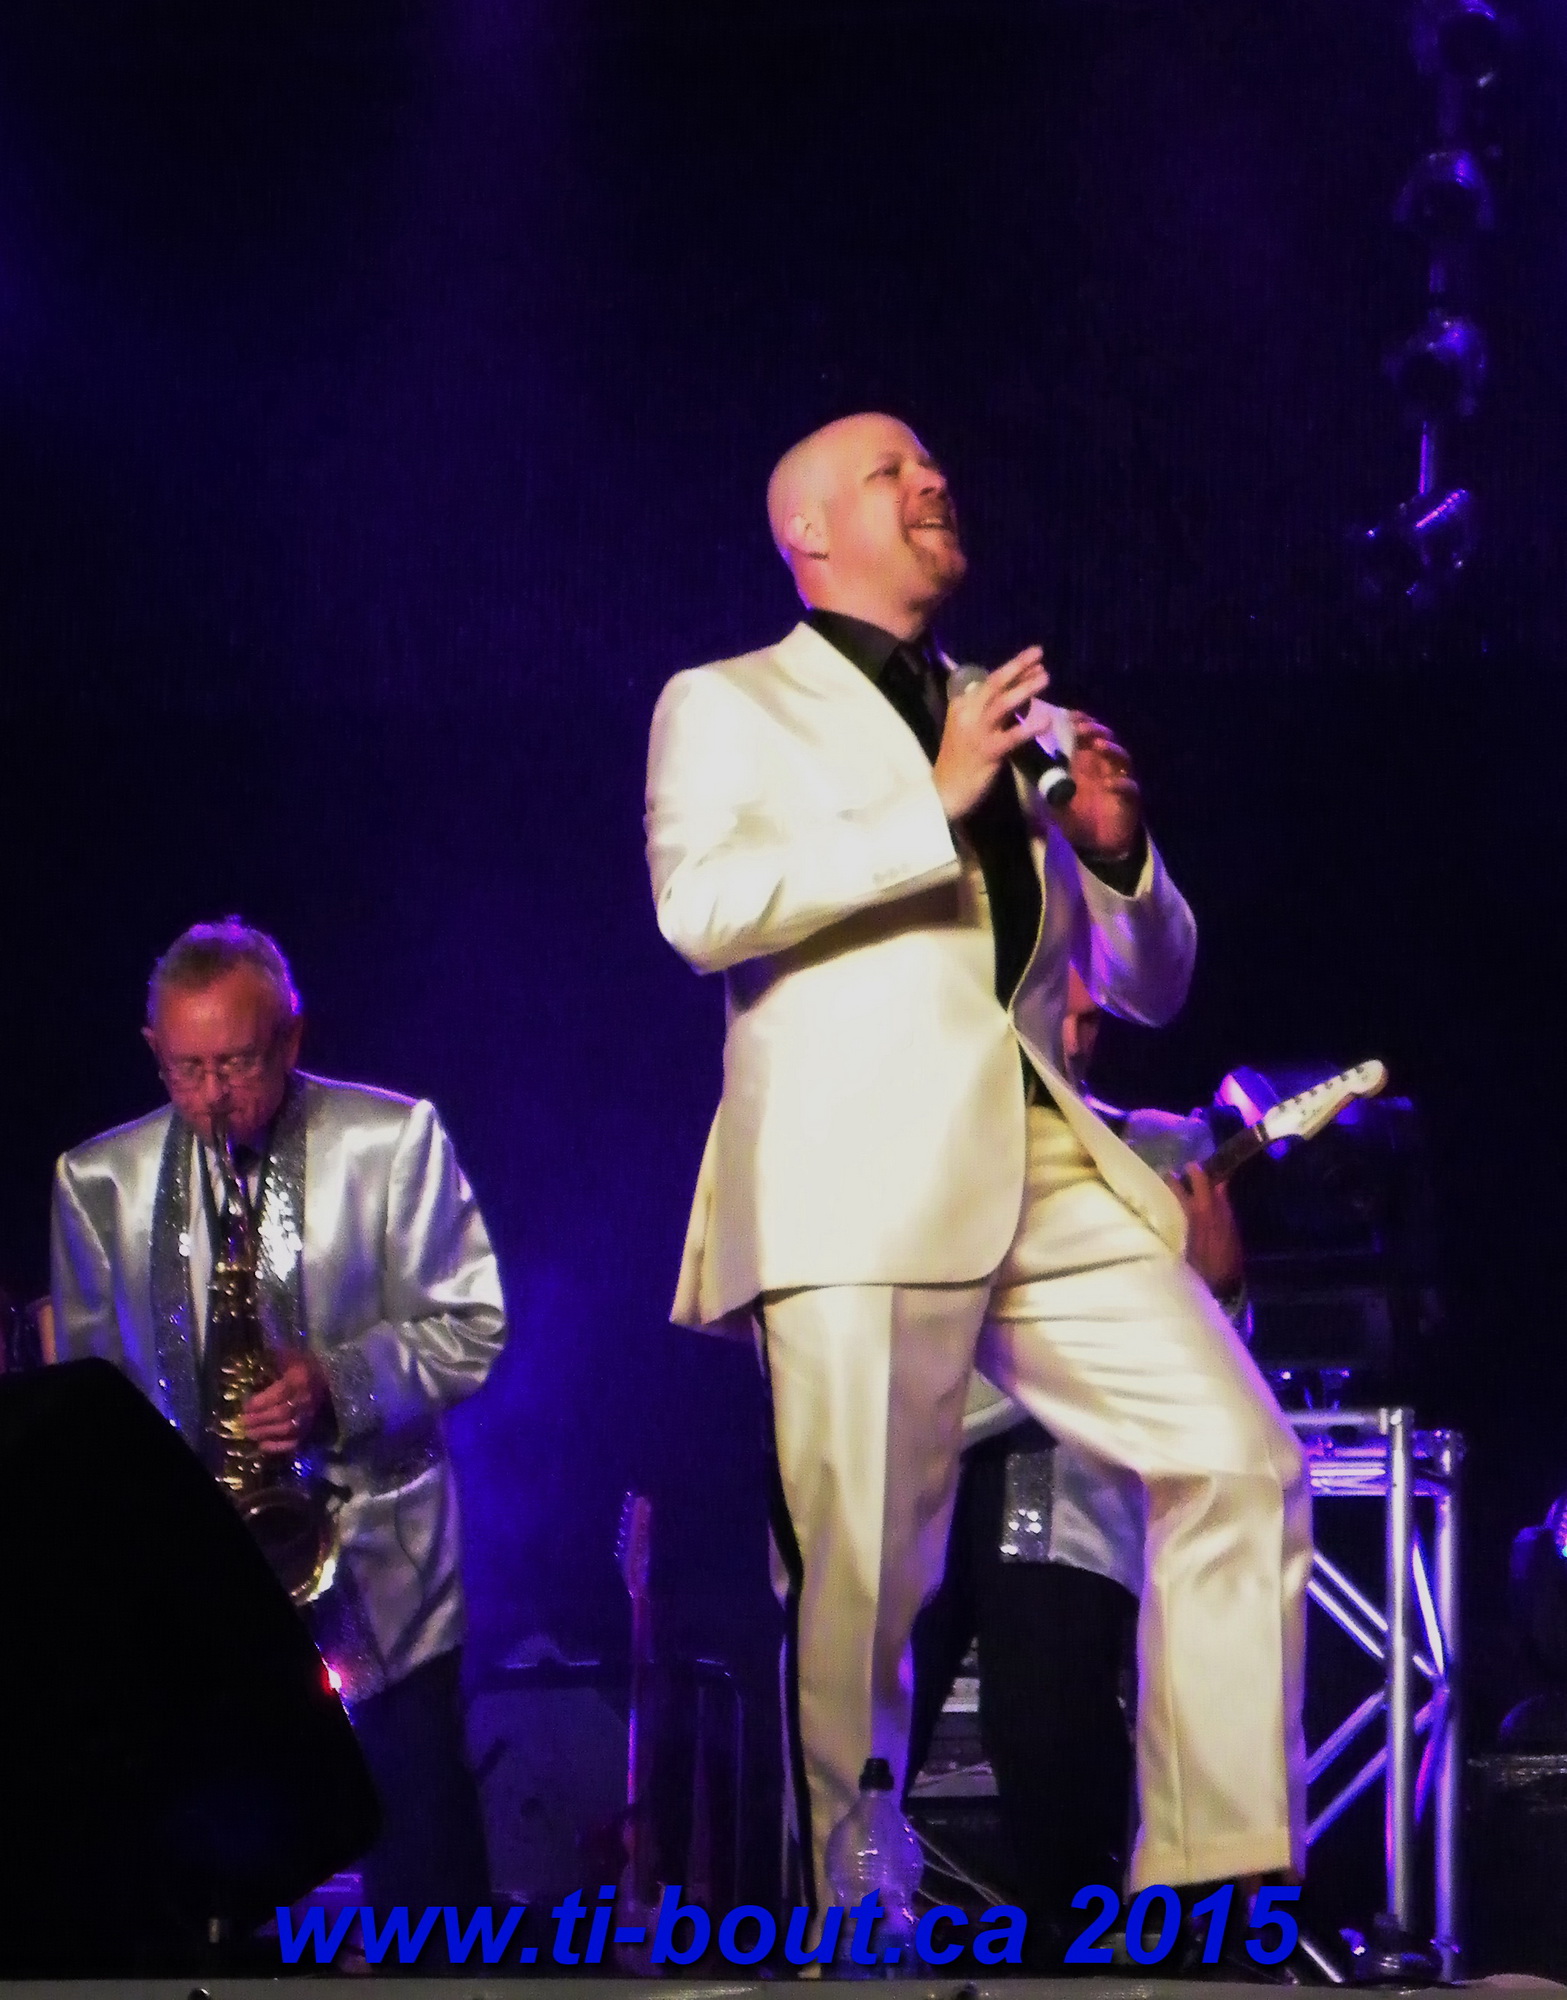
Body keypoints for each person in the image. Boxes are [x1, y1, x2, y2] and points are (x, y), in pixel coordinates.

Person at [645, 412, 1310, 1912]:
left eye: (931, 464)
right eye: (890, 472)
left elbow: (1149, 986)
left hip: (1039, 1159)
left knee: (1239, 1460)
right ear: (810, 531)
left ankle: (1207, 1884)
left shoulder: (1016, 717)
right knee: (862, 1591)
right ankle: (857, 1920)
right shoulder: (729, 702)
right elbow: (700, 911)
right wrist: (925, 798)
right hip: (852, 1184)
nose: (931, 480)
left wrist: (1121, 854)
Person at [51, 918, 506, 1915]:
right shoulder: (95, 1184)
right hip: (195, 1598)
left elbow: (471, 1327)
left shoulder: (394, 1140)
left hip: (384, 1580)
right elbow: (84, 1407)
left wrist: (335, 1383)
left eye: (239, 1063)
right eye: (187, 1068)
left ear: (292, 1037)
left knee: (427, 1887)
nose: (213, 1096)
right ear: (153, 1051)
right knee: (207, 1895)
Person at [908, 966, 1251, 1951]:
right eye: (1060, 1007)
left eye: (1094, 1015)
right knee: (848, 1734)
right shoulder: (914, 1134)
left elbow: (1220, 1366)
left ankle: (1083, 1950)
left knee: (1047, 1718)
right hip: (912, 1454)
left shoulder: (1159, 1145)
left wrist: (1221, 1284)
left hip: (1054, 1460)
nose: (1077, 1032)